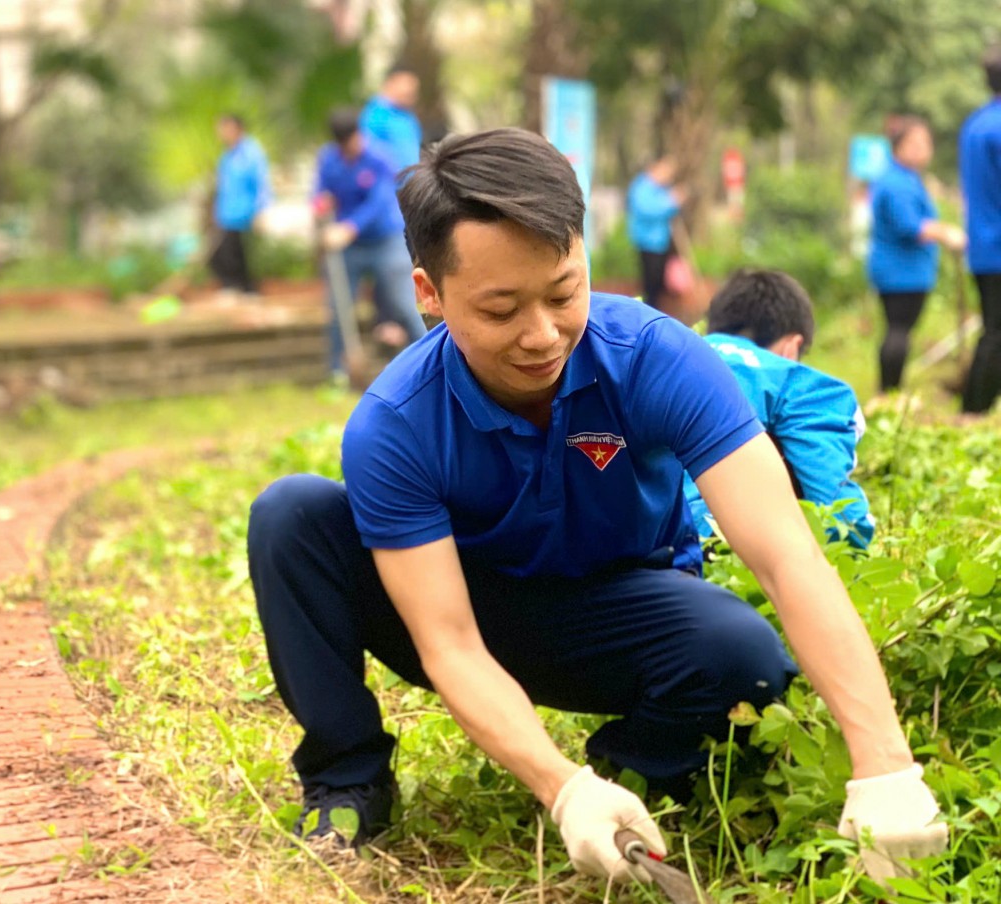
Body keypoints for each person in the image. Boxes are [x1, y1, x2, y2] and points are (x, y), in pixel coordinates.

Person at [248, 128, 945, 888]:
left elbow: (787, 556)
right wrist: (561, 791)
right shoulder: (396, 423)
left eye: (562, 291)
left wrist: (886, 766)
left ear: (582, 255)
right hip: (464, 605)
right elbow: (447, 643)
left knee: (742, 656)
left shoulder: (658, 357)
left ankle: (630, 769)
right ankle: (348, 777)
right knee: (293, 515)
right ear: (429, 295)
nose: (542, 334)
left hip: (618, 606)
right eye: (501, 308)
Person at [683, 269, 874, 549]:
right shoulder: (799, 384)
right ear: (791, 347)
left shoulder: (658, 355)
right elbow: (842, 520)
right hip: (713, 542)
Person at [312, 108, 427, 376]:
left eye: (351, 142)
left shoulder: (378, 158)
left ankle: (428, 362)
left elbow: (380, 201)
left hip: (384, 240)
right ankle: (338, 372)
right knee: (339, 306)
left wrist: (349, 227)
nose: (348, 149)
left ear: (358, 135)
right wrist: (320, 205)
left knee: (402, 302)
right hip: (347, 247)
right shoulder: (329, 160)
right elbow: (319, 192)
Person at [867, 116, 966, 393]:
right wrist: (946, 232)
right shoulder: (898, 183)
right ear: (898, 147)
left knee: (899, 330)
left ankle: (890, 390)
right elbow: (909, 225)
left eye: (926, 142)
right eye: (915, 143)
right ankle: (889, 392)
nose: (923, 148)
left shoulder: (906, 178)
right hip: (901, 272)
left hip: (905, 271)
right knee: (898, 330)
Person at [959, 45, 1001, 415]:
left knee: (992, 330)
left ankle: (972, 406)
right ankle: (974, 409)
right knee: (996, 335)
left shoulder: (975, 123)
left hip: (982, 245)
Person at [209, 114, 270, 298]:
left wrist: (261, 210)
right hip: (227, 215)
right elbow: (223, 188)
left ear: (236, 129)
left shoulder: (252, 152)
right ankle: (234, 289)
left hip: (246, 215)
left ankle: (248, 290)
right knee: (223, 255)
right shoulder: (226, 157)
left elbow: (262, 183)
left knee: (243, 256)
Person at [627, 155, 687, 316]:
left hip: (662, 242)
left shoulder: (662, 189)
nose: (668, 176)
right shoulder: (642, 187)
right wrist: (671, 202)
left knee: (661, 285)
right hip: (648, 243)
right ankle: (648, 316)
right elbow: (647, 209)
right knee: (651, 285)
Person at [360, 64, 422, 175]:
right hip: (388, 187)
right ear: (391, 83)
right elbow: (368, 152)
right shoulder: (375, 116)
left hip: (412, 185)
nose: (412, 93)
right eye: (407, 87)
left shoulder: (408, 117)